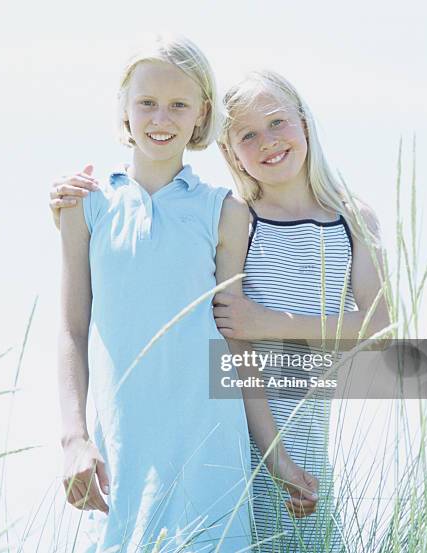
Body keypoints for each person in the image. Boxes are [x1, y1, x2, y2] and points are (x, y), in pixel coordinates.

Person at [56, 36, 318, 553]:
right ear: (125, 111)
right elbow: (70, 329)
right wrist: (73, 439)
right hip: (122, 457)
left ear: (202, 114)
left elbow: (236, 344)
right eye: (147, 102)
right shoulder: (85, 206)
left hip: (209, 457)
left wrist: (275, 454)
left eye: (179, 104)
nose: (162, 117)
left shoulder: (223, 212)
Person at [213, 70, 391, 551]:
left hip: (312, 442)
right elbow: (238, 354)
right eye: (247, 135)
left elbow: (379, 328)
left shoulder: (352, 218)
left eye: (277, 123)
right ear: (231, 153)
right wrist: (275, 457)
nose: (267, 142)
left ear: (305, 124)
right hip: (246, 440)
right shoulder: (238, 219)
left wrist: (268, 322)